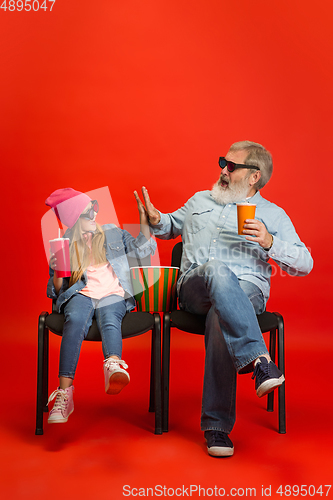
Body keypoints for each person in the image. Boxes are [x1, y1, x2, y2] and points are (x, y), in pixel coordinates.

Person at [135, 140, 313, 457]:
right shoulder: (200, 199)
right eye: (222, 162)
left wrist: (271, 242)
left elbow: (305, 264)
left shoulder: (273, 214)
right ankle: (261, 360)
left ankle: (216, 427)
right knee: (217, 270)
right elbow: (170, 226)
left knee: (223, 314)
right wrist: (155, 218)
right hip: (194, 287)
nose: (223, 170)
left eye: (231, 166)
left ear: (254, 176)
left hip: (247, 291)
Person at [45, 187, 156, 424]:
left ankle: (113, 366)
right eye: (87, 213)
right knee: (74, 319)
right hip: (80, 294)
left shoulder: (112, 233)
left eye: (94, 208)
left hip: (112, 293)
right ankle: (65, 394)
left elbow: (144, 250)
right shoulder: (64, 244)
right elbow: (55, 291)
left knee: (110, 315)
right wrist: (56, 272)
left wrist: (143, 221)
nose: (94, 215)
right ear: (74, 220)